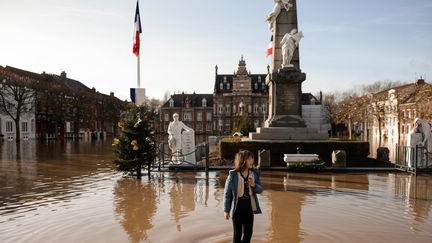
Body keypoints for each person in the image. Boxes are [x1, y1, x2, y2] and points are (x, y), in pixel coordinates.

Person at [223, 150, 264, 243]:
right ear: (242, 160)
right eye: (249, 159)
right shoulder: (233, 175)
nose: (252, 161)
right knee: (237, 234)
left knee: (248, 233)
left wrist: (254, 185)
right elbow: (227, 194)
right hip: (237, 210)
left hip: (249, 209)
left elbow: (261, 189)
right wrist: (226, 210)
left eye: (252, 158)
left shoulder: (254, 174)